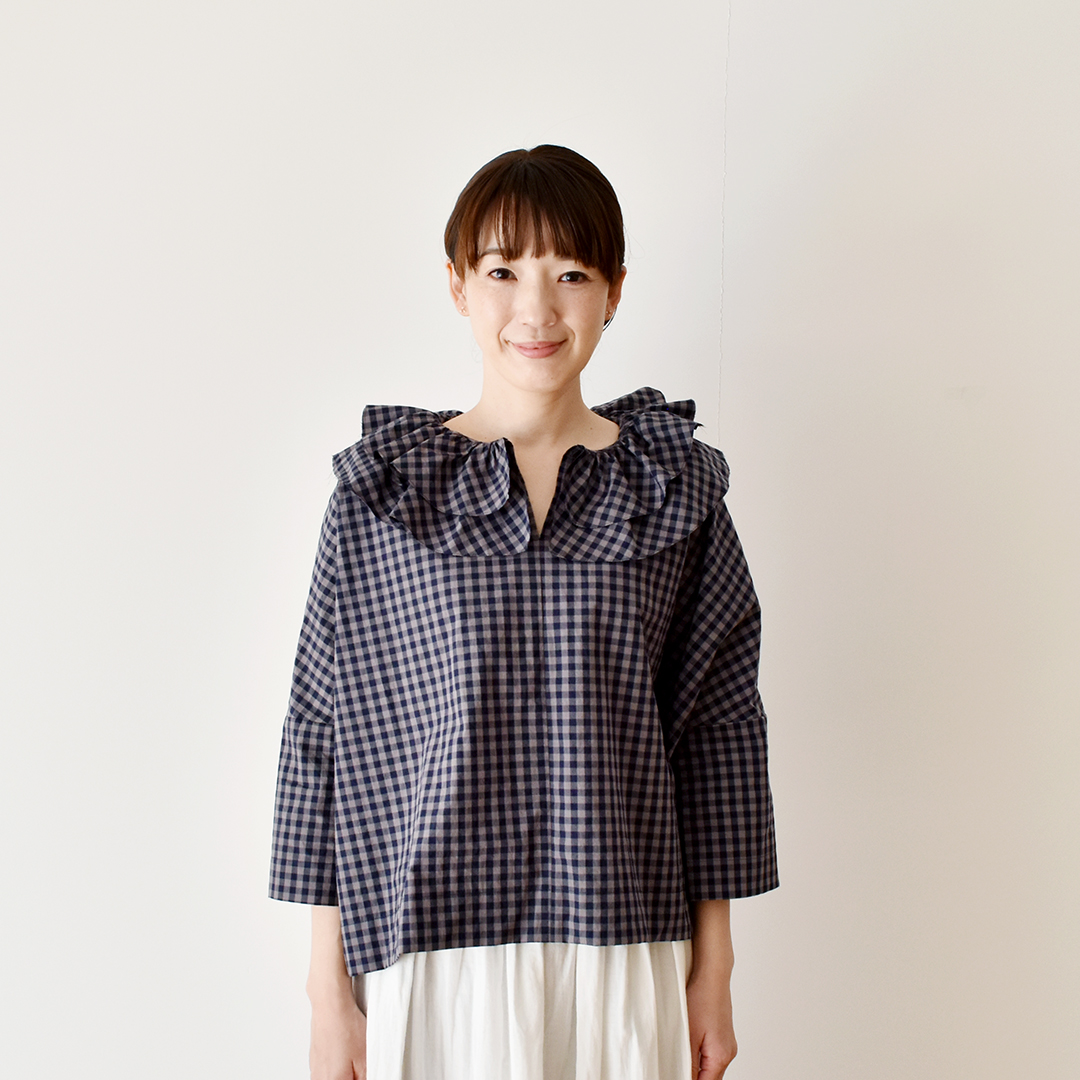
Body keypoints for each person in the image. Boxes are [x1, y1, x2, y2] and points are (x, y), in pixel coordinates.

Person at [270, 145, 778, 1080]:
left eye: (571, 274)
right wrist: (326, 991)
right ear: (458, 285)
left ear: (614, 290)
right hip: (431, 948)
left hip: (623, 942)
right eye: (503, 271)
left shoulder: (674, 492)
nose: (537, 309)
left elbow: (717, 732)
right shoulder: (385, 495)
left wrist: (717, 971)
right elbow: (326, 731)